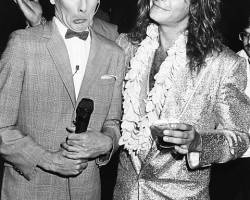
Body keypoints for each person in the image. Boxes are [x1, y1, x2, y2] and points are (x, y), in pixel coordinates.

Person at [112, 0, 250, 199]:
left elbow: (240, 138)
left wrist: (199, 142)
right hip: (124, 193)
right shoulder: (126, 46)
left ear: (197, 5)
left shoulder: (224, 64)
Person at [0, 0, 125, 199]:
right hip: (28, 191)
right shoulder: (22, 44)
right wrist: (47, 160)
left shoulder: (115, 54)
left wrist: (108, 142)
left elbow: (113, 123)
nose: (83, 7)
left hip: (87, 192)